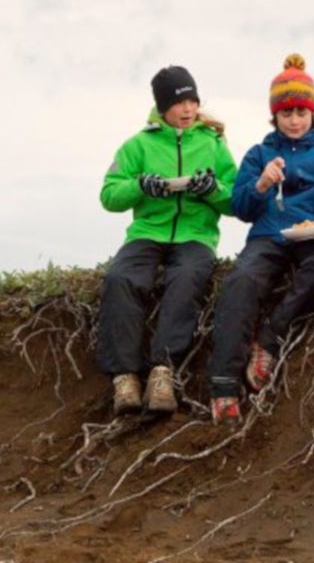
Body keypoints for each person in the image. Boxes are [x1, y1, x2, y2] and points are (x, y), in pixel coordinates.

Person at [208, 54, 314, 424]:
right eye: (286, 113)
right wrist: (261, 184)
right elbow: (241, 207)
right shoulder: (259, 154)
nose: (294, 120)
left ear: (313, 114)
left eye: (301, 113)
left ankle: (269, 340)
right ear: (274, 115)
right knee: (241, 282)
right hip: (268, 236)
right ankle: (224, 387)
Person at [98, 66, 237, 416]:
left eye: (193, 100)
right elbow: (109, 196)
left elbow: (237, 201)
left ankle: (163, 373)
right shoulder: (137, 145)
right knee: (120, 279)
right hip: (147, 232)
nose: (188, 109)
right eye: (179, 103)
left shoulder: (214, 144)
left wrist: (212, 190)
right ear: (162, 107)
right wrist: (141, 185)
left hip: (195, 235)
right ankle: (125, 377)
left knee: (187, 277)